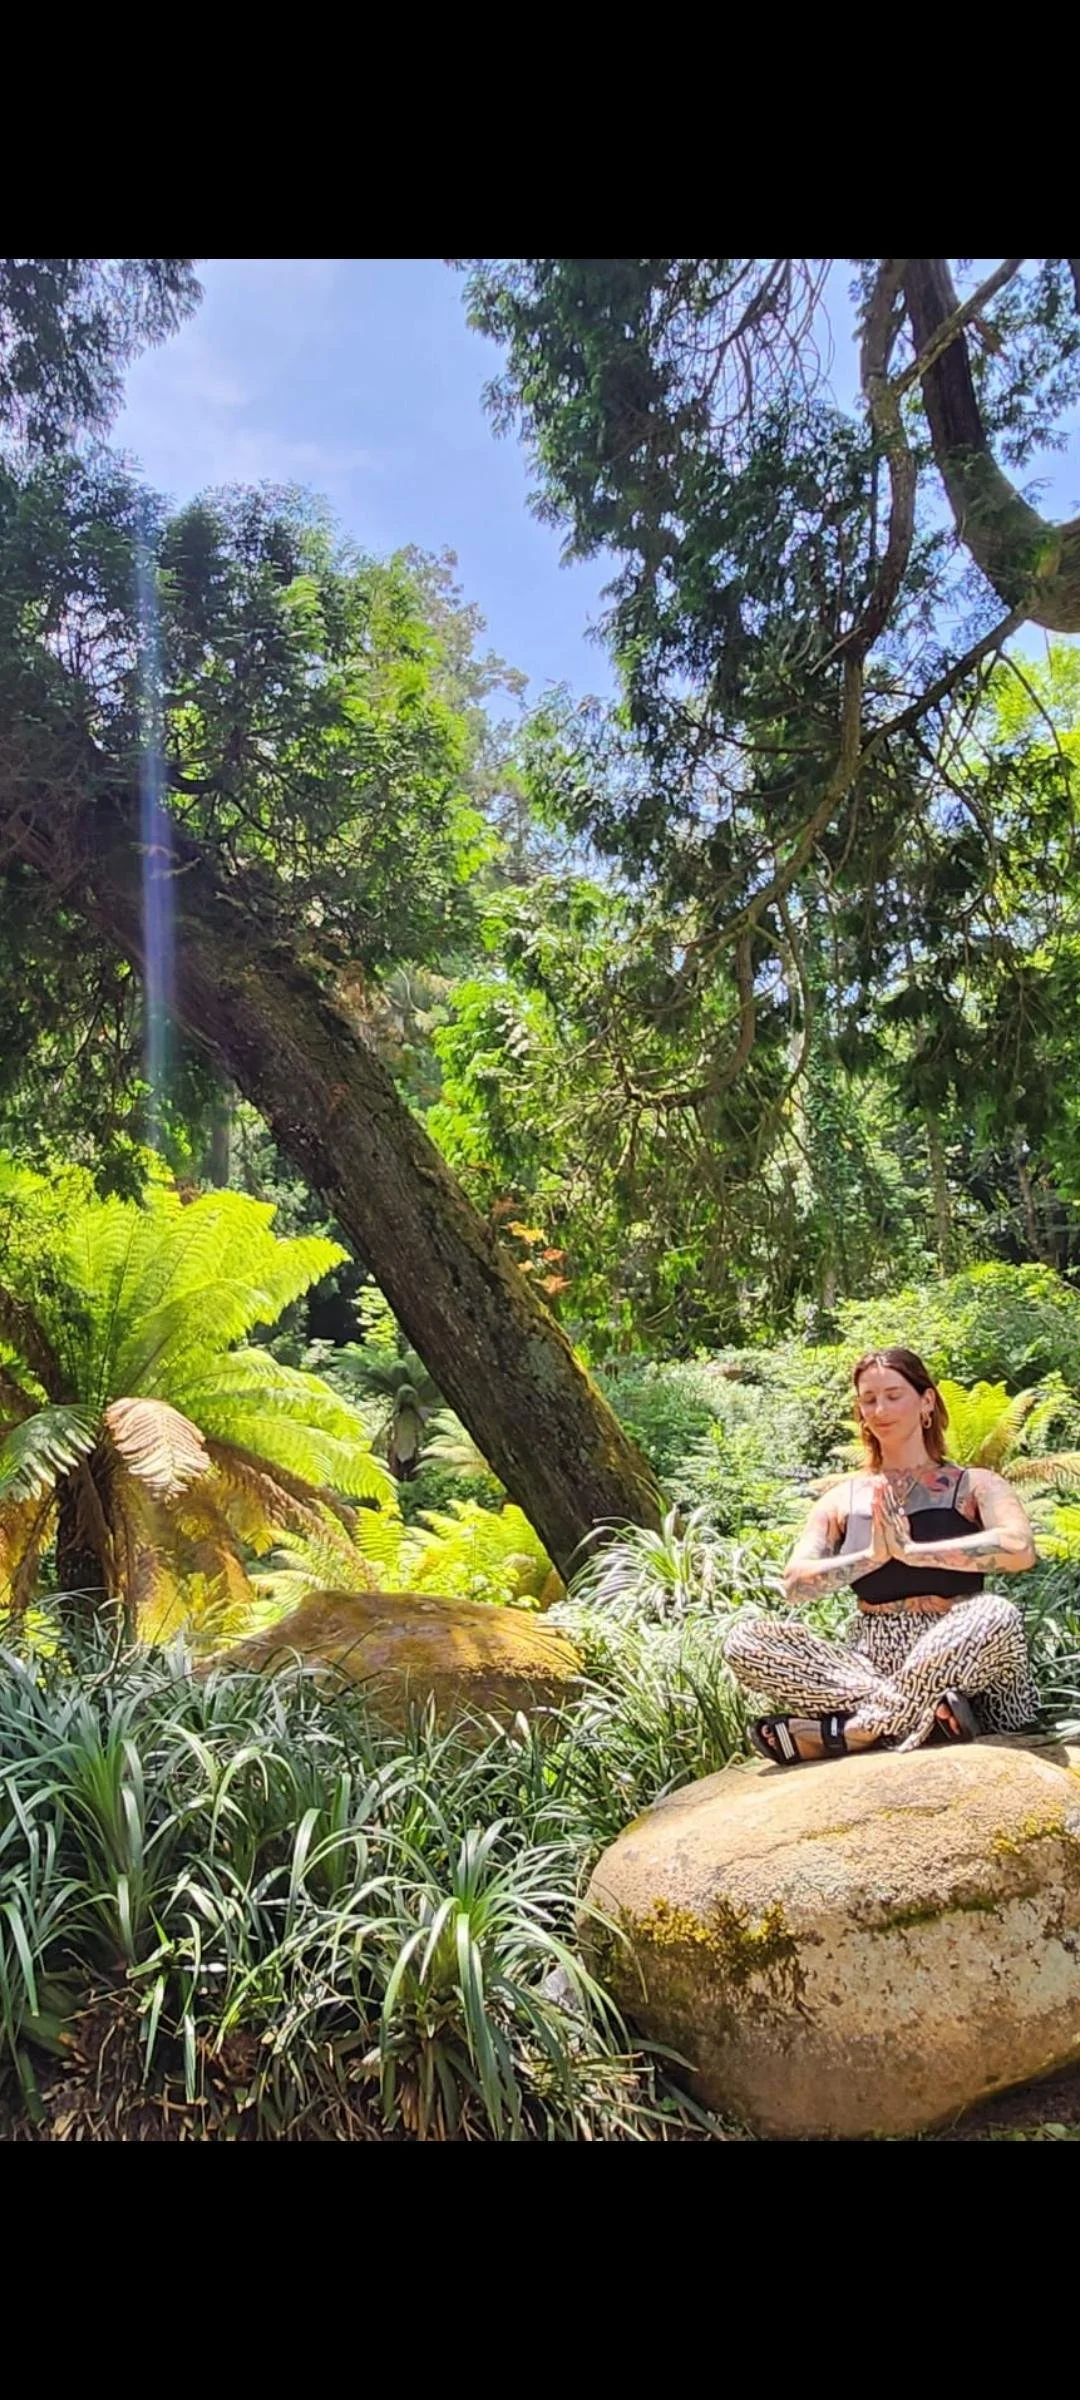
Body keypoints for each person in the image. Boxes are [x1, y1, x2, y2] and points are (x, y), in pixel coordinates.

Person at [723, 1345, 1041, 1765]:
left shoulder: (974, 1484)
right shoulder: (842, 1499)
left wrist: (914, 1552)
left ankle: (856, 1730)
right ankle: (918, 1717)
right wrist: (871, 1557)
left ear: (926, 1401)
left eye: (894, 1395)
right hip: (870, 1662)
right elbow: (796, 1584)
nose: (880, 1409)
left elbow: (1019, 1550)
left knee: (997, 1614)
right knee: (745, 1640)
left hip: (966, 1661)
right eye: (869, 1399)